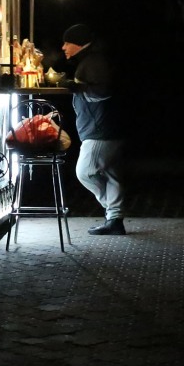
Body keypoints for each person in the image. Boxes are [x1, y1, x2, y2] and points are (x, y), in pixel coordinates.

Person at [58, 23, 128, 235]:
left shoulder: (94, 61)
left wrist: (76, 87)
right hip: (110, 127)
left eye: (68, 42)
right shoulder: (95, 59)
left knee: (85, 172)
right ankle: (115, 221)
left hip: (100, 130)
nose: (63, 47)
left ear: (79, 44)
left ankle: (112, 214)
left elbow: (104, 91)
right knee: (110, 172)